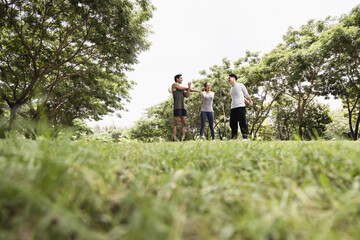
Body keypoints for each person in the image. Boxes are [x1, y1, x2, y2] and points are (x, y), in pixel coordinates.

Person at [172, 74, 201, 141]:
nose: (182, 79)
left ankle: (183, 138)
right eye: (181, 78)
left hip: (183, 108)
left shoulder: (182, 89)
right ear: (177, 79)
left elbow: (187, 95)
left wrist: (190, 88)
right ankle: (174, 138)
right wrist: (191, 88)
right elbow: (184, 88)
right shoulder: (174, 85)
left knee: (184, 123)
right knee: (175, 123)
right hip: (177, 107)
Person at [228, 73, 253, 140]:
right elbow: (239, 96)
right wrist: (245, 100)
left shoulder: (240, 85)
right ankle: (234, 138)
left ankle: (245, 138)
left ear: (234, 78)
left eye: (229, 78)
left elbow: (246, 94)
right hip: (233, 107)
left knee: (242, 122)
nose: (228, 79)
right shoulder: (231, 89)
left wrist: (250, 101)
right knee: (232, 124)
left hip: (240, 106)